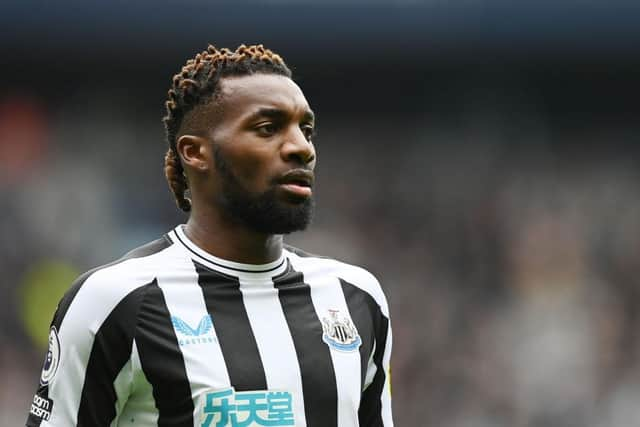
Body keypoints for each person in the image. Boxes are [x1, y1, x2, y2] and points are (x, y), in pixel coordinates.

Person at [26, 44, 393, 427]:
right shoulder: (116, 301)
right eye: (268, 128)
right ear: (195, 153)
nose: (301, 148)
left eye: (307, 130)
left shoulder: (356, 297)